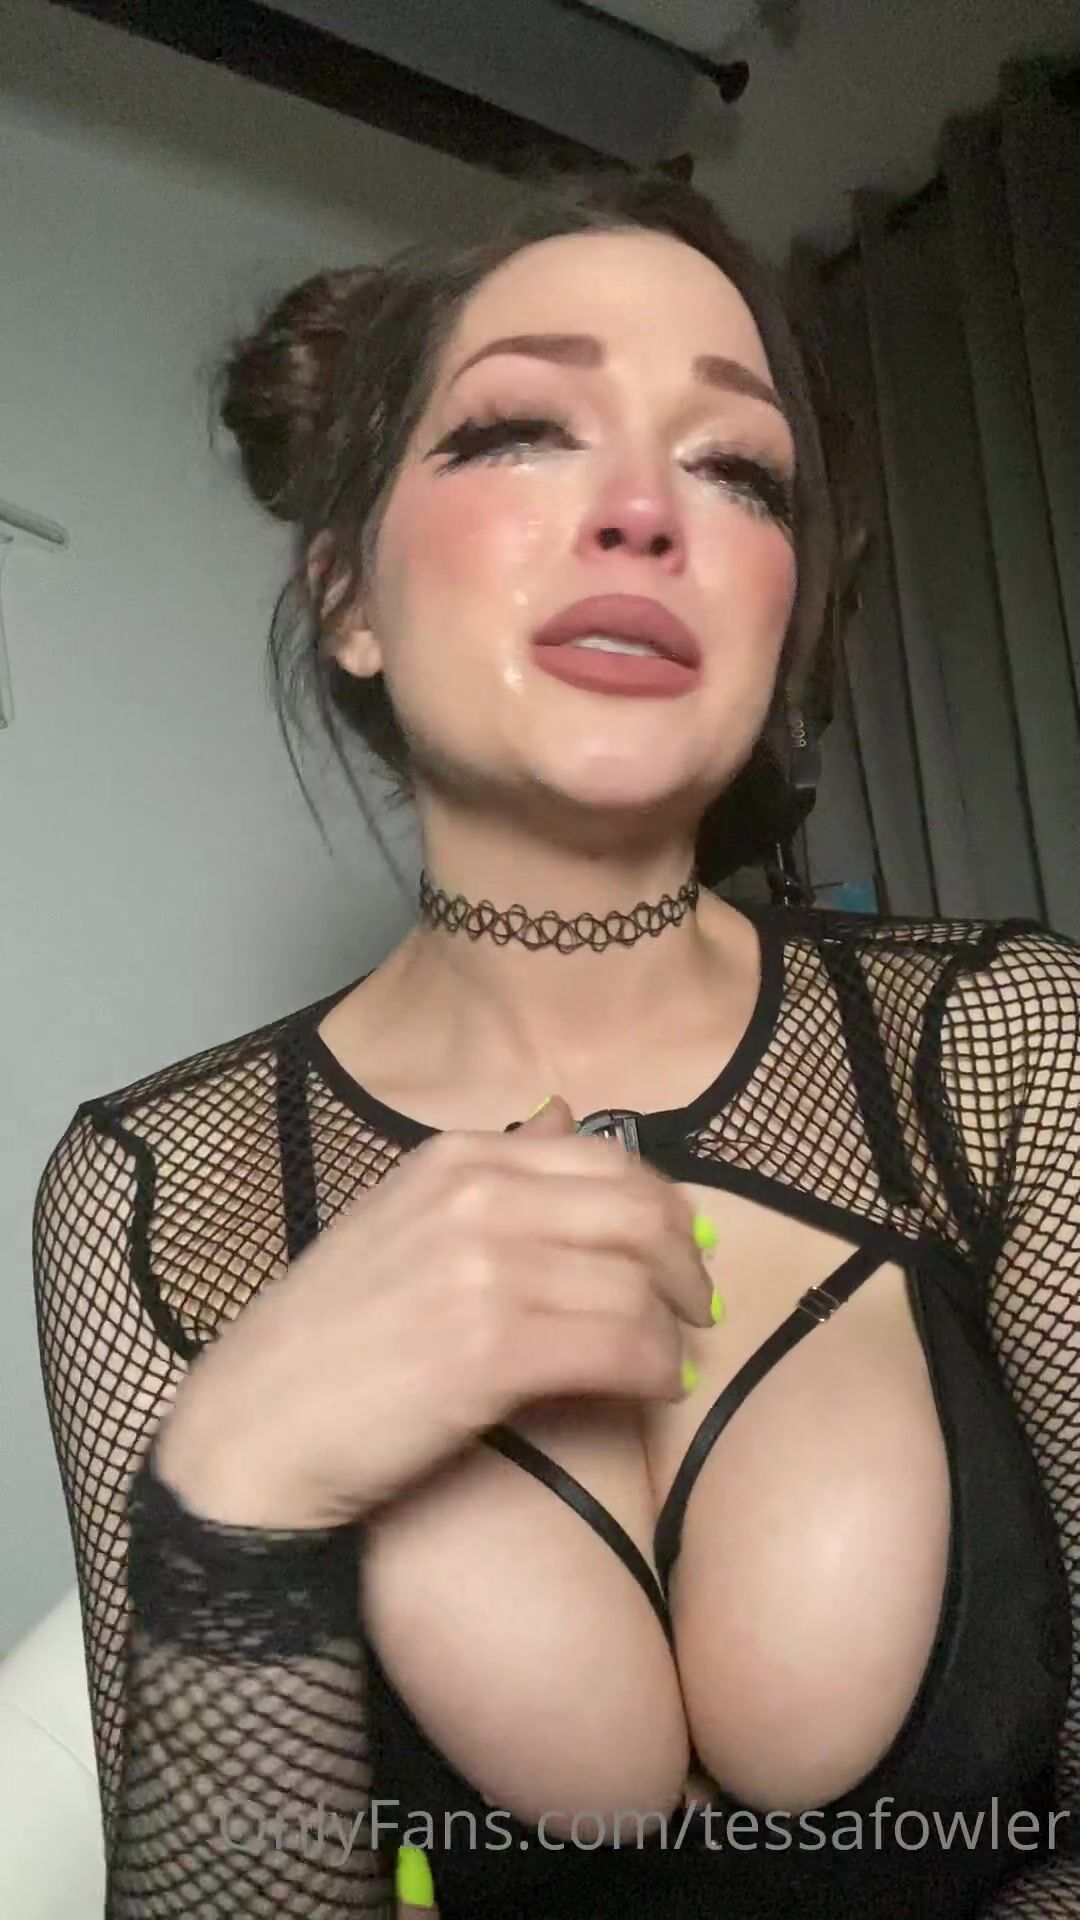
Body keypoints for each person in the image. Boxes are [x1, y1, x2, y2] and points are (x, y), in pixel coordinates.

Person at [32, 168, 1078, 1920]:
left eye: (737, 470)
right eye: (521, 430)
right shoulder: (155, 1192)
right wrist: (242, 1488)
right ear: (349, 596)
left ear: (781, 621)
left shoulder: (996, 1047)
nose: (647, 513)